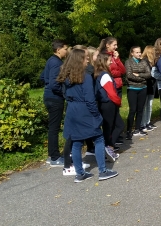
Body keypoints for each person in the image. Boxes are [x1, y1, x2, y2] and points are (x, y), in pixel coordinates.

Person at [58, 48, 118, 183]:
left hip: (72, 109)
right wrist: (97, 115)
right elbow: (90, 99)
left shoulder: (66, 75)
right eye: (85, 58)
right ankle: (103, 171)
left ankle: (80, 173)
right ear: (79, 60)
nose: (87, 60)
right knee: (98, 138)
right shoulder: (85, 77)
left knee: (77, 141)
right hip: (84, 109)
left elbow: (64, 93)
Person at [40, 39, 68, 167]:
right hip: (55, 98)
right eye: (65, 49)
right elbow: (53, 83)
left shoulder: (50, 61)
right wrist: (62, 93)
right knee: (54, 128)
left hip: (49, 97)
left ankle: (52, 155)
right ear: (58, 50)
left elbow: (43, 77)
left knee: (53, 127)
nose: (66, 51)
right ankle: (55, 157)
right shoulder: (57, 63)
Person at [94, 53, 123, 161]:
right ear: (103, 62)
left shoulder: (101, 74)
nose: (111, 62)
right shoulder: (105, 75)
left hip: (107, 103)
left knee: (113, 126)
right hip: (108, 103)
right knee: (111, 127)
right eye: (109, 61)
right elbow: (111, 93)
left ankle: (109, 147)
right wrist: (118, 102)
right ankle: (107, 147)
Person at [98, 37, 126, 143]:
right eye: (114, 45)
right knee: (111, 115)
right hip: (109, 85)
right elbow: (109, 72)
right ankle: (109, 140)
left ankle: (114, 137)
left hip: (118, 85)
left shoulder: (114, 57)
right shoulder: (104, 57)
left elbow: (123, 70)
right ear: (107, 45)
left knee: (116, 112)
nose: (116, 47)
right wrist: (116, 72)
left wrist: (117, 59)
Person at [125, 46, 152, 139]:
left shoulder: (144, 62)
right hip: (132, 88)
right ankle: (128, 130)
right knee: (132, 110)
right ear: (132, 53)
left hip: (143, 88)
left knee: (140, 110)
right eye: (136, 52)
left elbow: (149, 74)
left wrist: (139, 74)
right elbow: (129, 75)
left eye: (139, 52)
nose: (139, 54)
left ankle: (137, 128)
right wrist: (142, 78)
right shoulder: (128, 62)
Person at [141, 45, 158, 131]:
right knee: (145, 105)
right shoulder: (144, 61)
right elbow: (149, 74)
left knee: (149, 105)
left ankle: (148, 122)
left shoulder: (152, 62)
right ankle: (143, 123)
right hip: (146, 85)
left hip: (151, 85)